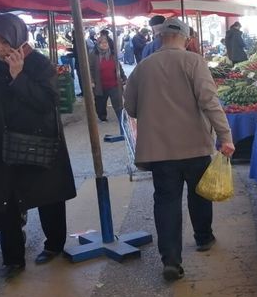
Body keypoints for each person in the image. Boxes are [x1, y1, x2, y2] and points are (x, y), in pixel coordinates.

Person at [0, 13, 76, 278]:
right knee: (6, 201)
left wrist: (18, 75)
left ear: (17, 37)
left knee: (49, 197)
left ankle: (54, 245)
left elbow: (47, 103)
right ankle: (13, 260)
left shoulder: (38, 63)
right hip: (1, 145)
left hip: (37, 143)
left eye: (3, 41)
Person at [123, 17, 235, 281]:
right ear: (186, 38)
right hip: (195, 145)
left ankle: (171, 260)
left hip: (160, 150)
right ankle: (203, 238)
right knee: (200, 194)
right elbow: (210, 101)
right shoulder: (194, 62)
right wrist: (225, 136)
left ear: (160, 37)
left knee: (166, 202)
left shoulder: (143, 68)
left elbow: (130, 108)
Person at [89, 34, 126, 123]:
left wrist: (123, 77)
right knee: (100, 103)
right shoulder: (93, 55)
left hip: (114, 84)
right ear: (98, 44)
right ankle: (102, 117)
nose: (104, 44)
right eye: (102, 43)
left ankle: (121, 117)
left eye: (106, 43)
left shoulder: (113, 54)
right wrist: (91, 80)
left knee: (118, 102)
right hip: (100, 84)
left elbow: (119, 67)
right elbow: (90, 69)